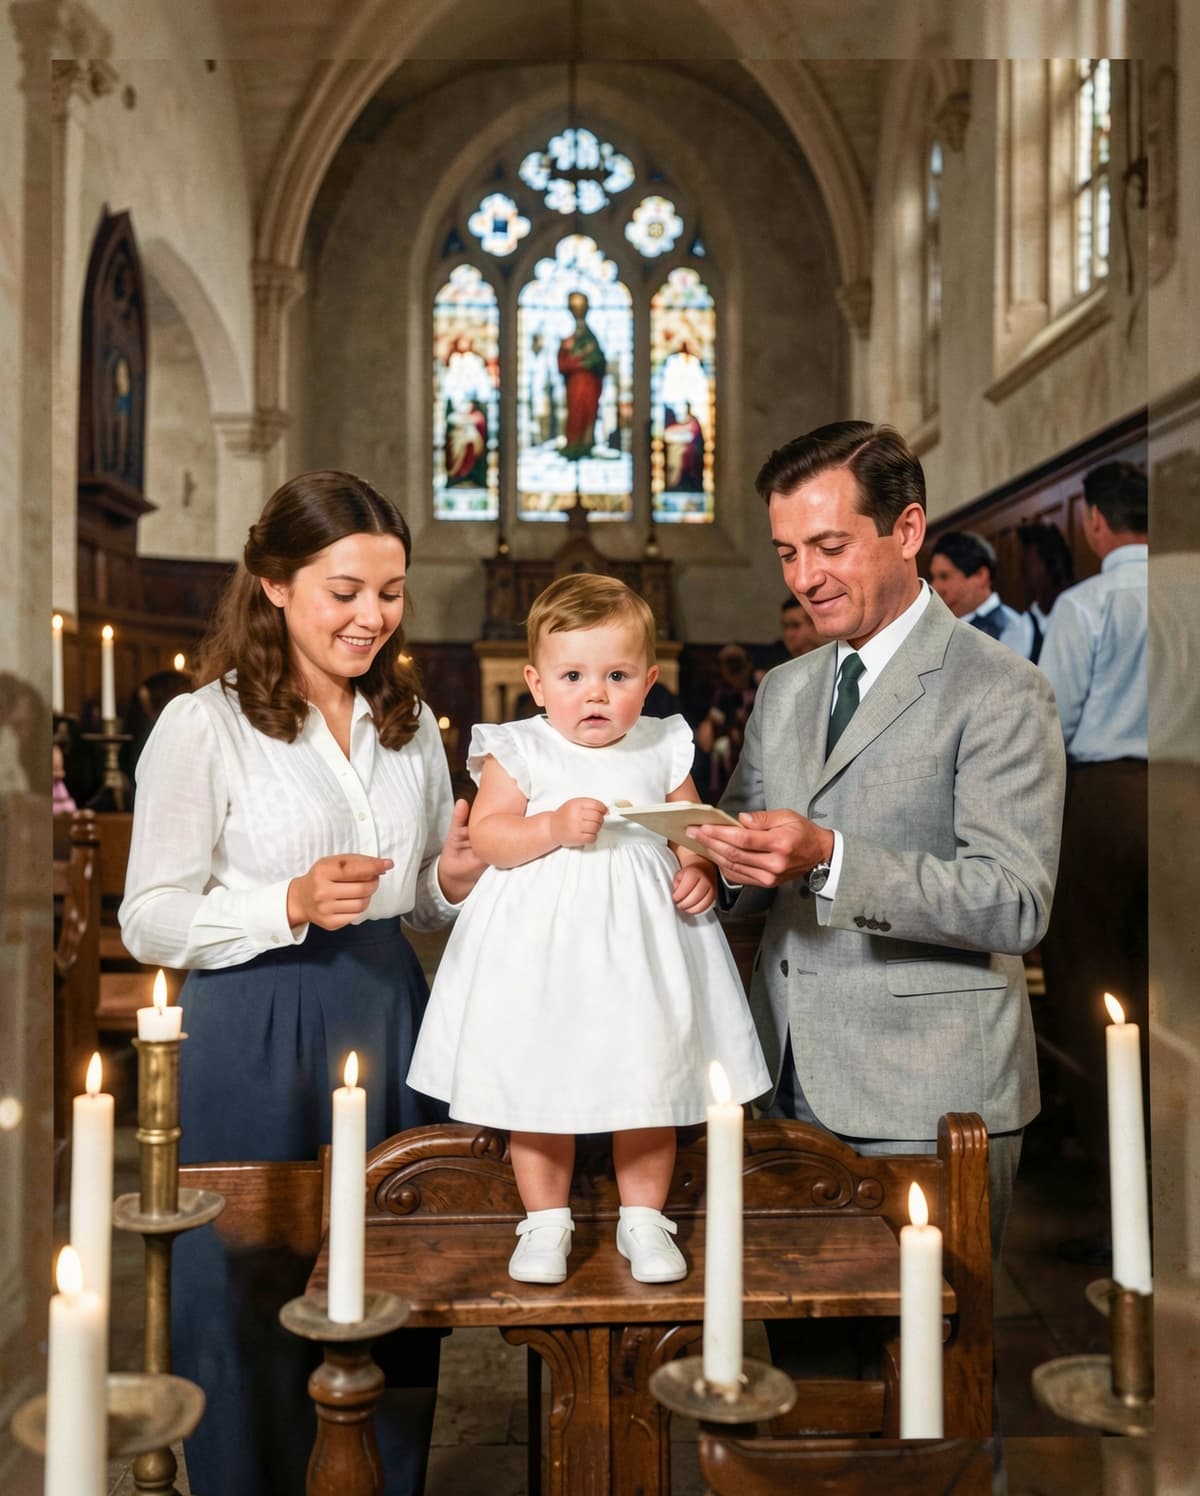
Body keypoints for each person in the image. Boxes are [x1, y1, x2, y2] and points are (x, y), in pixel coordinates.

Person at [120, 470, 484, 1496]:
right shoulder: (206, 724)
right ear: (274, 583)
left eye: (392, 591)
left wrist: (450, 878)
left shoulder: (409, 725)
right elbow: (149, 916)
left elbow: (418, 900)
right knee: (247, 1284)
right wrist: (283, 901)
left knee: (399, 1273)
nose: (374, 616)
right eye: (346, 591)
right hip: (249, 1021)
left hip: (388, 1007)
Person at [686, 421, 1065, 1274]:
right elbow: (744, 845)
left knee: (930, 1383)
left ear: (907, 530)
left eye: (828, 546)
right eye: (787, 553)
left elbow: (1016, 902)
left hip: (929, 1095)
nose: (805, 578)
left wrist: (830, 857)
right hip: (781, 1076)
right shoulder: (786, 689)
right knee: (804, 1376)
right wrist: (696, 852)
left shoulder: (1000, 689)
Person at [407, 574, 768, 1287]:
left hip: (644, 943)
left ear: (650, 680)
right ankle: (545, 1221)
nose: (595, 693)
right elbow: (491, 838)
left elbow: (691, 825)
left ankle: (645, 1218)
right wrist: (549, 825)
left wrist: (695, 863)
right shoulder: (521, 748)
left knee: (650, 1075)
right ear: (537, 684)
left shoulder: (662, 744)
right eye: (574, 676)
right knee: (538, 1083)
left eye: (616, 675)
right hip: (541, 951)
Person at [1037, 460, 1148, 1178]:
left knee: (1095, 992)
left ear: (1096, 523)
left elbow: (1050, 721)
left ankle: (1121, 1196)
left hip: (1105, 805)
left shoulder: (1087, 604)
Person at [928, 529, 1041, 660]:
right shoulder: (935, 628)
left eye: (944, 576)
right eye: (933, 577)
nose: (935, 587)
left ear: (981, 576)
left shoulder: (1012, 627)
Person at [557, 291, 606, 461]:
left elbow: (599, 360)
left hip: (590, 383)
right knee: (576, 413)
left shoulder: (591, 337)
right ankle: (573, 445)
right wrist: (579, 361)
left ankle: (586, 444)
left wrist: (587, 360)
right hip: (575, 383)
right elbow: (563, 363)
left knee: (589, 412)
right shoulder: (567, 338)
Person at [1017, 520, 1075, 644]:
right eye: (1027, 566)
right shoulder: (1019, 631)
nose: (1028, 575)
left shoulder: (1082, 616)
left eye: (1030, 565)